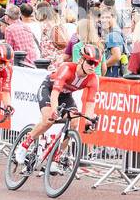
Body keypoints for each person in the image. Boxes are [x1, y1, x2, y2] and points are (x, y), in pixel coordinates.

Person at [14, 45, 101, 173]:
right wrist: (54, 111)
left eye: (96, 64)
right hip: (49, 90)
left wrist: (89, 122)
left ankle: (55, 159)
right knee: (48, 119)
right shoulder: (67, 68)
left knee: (74, 121)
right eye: (90, 62)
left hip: (65, 96)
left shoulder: (93, 79)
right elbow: (55, 93)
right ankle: (24, 145)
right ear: (81, 60)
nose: (93, 66)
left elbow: (90, 103)